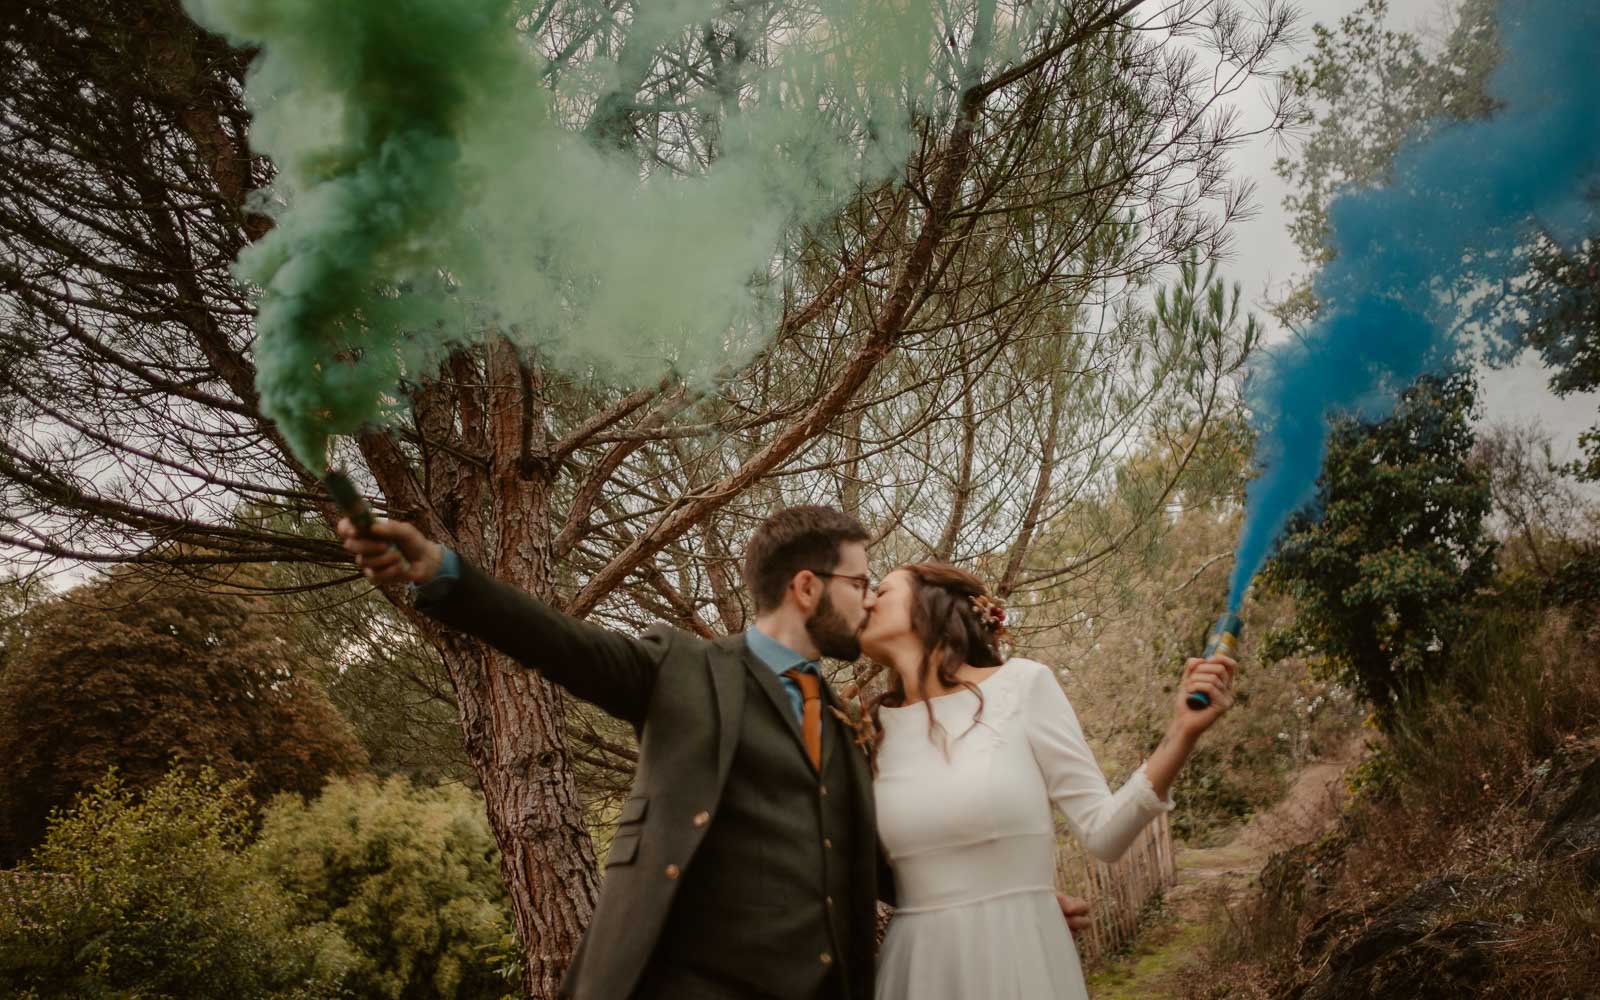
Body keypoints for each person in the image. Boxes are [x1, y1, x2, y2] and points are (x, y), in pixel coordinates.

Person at [340, 505, 1089, 1000]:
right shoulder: (684, 672)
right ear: (806, 586)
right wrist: (444, 571)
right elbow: (560, 644)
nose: (868, 600)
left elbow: (876, 855)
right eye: (861, 582)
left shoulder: (851, 721)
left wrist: (994, 887)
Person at [859, 563, 1235, 1000]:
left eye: (881, 591)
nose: (867, 600)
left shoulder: (1023, 685)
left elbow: (1103, 832)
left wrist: (1181, 733)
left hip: (1019, 954)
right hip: (917, 969)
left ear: (932, 607)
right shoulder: (869, 730)